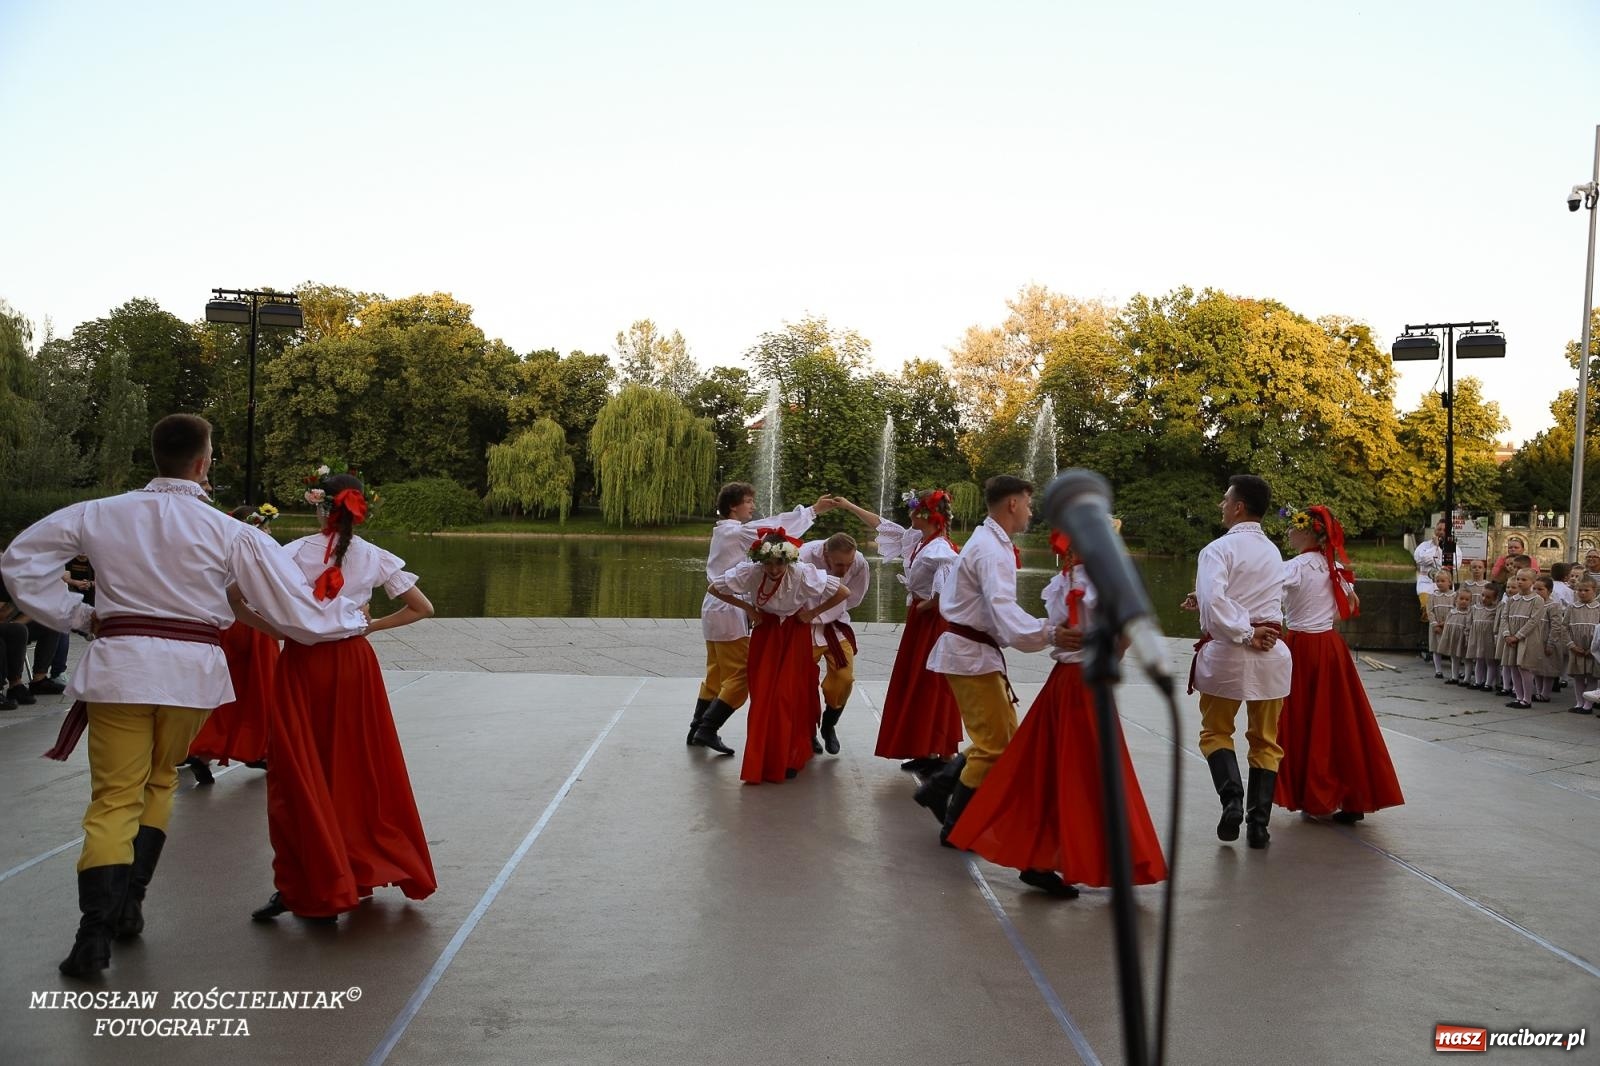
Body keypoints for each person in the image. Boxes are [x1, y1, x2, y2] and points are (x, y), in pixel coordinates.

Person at [0, 414, 368, 978]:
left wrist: (78, 616)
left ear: (156, 458)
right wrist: (351, 620)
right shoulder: (231, 530)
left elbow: (20, 560)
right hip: (190, 675)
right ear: (203, 463)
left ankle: (93, 936)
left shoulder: (99, 513)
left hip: (120, 669)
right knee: (159, 778)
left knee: (112, 799)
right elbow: (294, 605)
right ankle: (129, 905)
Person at [253, 474, 438, 922]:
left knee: (300, 773)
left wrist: (280, 630)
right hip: (355, 666)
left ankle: (307, 881)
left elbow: (240, 598)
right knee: (357, 769)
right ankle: (357, 868)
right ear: (360, 509)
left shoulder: (293, 552)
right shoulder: (373, 555)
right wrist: (367, 626)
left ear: (319, 507)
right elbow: (422, 608)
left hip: (303, 664)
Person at [945, 528, 1168, 897]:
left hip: (1062, 680)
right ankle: (1109, 860)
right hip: (1086, 684)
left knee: (1051, 770)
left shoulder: (1065, 578)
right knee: (1093, 774)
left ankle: (1040, 859)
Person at [919, 475, 1072, 846]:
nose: (1031, 512)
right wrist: (1050, 631)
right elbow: (1002, 609)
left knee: (1001, 738)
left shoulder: (990, 542)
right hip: (970, 655)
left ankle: (939, 789)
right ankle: (955, 825)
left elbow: (999, 611)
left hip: (974, 652)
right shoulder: (990, 548)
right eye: (1029, 503)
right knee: (995, 746)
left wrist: (1043, 629)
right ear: (1013, 504)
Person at [1272, 506, 1404, 824]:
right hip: (1330, 646)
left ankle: (1313, 793)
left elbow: (1263, 595)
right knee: (1342, 719)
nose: (1288, 532)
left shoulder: (1296, 567)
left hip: (1303, 646)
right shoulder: (1335, 566)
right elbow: (1349, 605)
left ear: (1306, 531)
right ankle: (1351, 795)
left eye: (1292, 527)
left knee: (1305, 719)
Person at [1184, 474, 1292, 849]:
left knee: (1216, 732)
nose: (1221, 505)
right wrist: (1205, 599)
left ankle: (1232, 801)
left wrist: (1243, 632)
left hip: (1230, 654)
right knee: (1265, 740)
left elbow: (1218, 604)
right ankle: (1259, 825)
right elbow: (1252, 598)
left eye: (1225, 499)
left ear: (1239, 506)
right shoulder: (1274, 552)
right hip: (1271, 655)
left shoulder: (1216, 550)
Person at [687, 482, 835, 754]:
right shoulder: (736, 531)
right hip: (728, 607)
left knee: (716, 672)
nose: (752, 506)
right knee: (742, 674)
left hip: (714, 606)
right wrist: (813, 511)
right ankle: (708, 728)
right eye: (748, 501)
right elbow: (773, 528)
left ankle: (697, 727)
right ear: (733, 506)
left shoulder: (725, 531)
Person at [832, 491, 963, 773]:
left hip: (932, 622)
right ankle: (926, 748)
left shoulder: (940, 548)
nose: (909, 515)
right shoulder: (919, 540)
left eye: (913, 510)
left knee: (932, 682)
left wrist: (925, 605)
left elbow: (949, 589)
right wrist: (849, 504)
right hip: (921, 619)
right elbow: (882, 525)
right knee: (918, 681)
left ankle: (942, 753)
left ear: (925, 515)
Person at [704, 530, 848, 784]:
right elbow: (714, 587)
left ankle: (789, 757)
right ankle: (763, 759)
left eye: (779, 563)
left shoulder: (801, 572)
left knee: (787, 696)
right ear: (760, 560)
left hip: (795, 634)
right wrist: (748, 608)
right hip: (767, 633)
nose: (772, 569)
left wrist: (812, 613)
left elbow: (843, 592)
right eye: (768, 563)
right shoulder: (752, 572)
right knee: (763, 697)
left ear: (789, 560)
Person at [184, 505, 283, 781]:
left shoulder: (216, 548)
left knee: (225, 690)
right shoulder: (258, 551)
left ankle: (203, 750)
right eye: (265, 526)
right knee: (261, 691)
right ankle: (258, 749)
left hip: (224, 626)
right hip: (256, 625)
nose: (268, 531)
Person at [797, 533, 868, 755]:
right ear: (826, 554)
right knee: (802, 683)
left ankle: (829, 724)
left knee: (844, 677)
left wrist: (830, 611)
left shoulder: (859, 562)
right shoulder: (804, 555)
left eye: (849, 564)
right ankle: (807, 733)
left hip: (836, 626)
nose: (844, 570)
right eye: (839, 564)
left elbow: (855, 596)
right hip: (804, 627)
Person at [1500, 568, 1539, 709]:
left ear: (1533, 582)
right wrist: (1506, 634)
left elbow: (1533, 621)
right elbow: (1504, 617)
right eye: (1518, 579)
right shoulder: (1512, 600)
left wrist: (1517, 636)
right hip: (1510, 637)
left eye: (1524, 579)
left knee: (1524, 668)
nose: (1520, 582)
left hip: (1526, 638)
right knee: (1512, 667)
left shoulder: (1537, 600)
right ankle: (1518, 696)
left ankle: (1527, 699)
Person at [1565, 577, 1600, 713]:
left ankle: (1588, 704)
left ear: (1594, 591)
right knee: (1578, 676)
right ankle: (1579, 703)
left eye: (1586, 590)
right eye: (1579, 590)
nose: (1583, 593)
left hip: (1593, 649)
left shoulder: (1598, 608)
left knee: (1591, 676)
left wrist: (1593, 648)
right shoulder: (1572, 607)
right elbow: (1564, 627)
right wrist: (1571, 645)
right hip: (1576, 647)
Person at [1413, 519, 1447, 650]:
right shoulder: (1424, 545)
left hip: (1445, 587)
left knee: (1444, 614)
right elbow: (1420, 559)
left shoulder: (1454, 547)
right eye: (1439, 529)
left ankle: (1442, 645)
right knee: (1427, 609)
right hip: (1426, 585)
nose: (1441, 532)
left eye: (1444, 530)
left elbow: (1449, 566)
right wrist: (1435, 546)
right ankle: (1432, 645)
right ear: (1435, 530)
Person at [1468, 583, 1502, 691]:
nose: (1484, 599)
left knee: (1490, 661)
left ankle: (1488, 683)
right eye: (1482, 595)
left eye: (1488, 597)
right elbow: (1470, 622)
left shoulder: (1495, 609)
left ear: (1495, 598)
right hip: (1477, 637)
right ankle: (1478, 681)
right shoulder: (1475, 608)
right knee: (1479, 660)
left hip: (1488, 638)